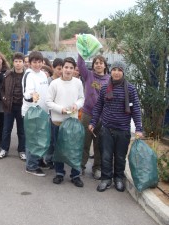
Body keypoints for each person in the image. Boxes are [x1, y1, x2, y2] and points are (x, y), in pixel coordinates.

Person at [89, 61, 143, 192]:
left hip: (123, 130)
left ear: (123, 72)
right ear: (110, 71)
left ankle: (118, 179)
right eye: (114, 69)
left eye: (119, 70)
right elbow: (98, 107)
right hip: (106, 128)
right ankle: (106, 179)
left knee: (120, 156)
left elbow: (135, 109)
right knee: (106, 156)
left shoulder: (130, 89)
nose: (116, 72)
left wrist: (139, 128)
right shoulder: (104, 88)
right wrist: (93, 122)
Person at [46, 57, 85, 187]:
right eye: (66, 67)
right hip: (58, 121)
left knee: (74, 149)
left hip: (72, 121)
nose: (68, 70)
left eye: (71, 68)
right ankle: (59, 173)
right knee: (58, 148)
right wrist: (60, 109)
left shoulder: (78, 83)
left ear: (74, 70)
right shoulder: (54, 84)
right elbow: (48, 101)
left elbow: (81, 98)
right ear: (61, 68)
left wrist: (76, 105)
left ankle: (75, 175)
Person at [77, 54, 110, 179]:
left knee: (99, 144)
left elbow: (111, 98)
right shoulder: (88, 75)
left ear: (105, 65)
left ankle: (97, 168)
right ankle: (80, 166)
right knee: (84, 142)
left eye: (101, 63)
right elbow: (80, 65)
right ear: (93, 65)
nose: (98, 65)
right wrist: (81, 52)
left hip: (103, 117)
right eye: (96, 63)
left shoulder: (109, 80)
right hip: (88, 114)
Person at [22, 51, 49, 176]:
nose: (37, 65)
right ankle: (31, 166)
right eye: (34, 62)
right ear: (30, 63)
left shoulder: (43, 74)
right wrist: (32, 96)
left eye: (39, 62)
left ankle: (37, 160)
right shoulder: (29, 74)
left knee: (40, 138)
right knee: (33, 140)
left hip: (43, 112)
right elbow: (27, 94)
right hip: (32, 113)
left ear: (42, 62)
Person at [0, 52, 26, 160]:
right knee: (6, 129)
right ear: (13, 62)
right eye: (16, 61)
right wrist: (4, 98)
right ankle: (4, 149)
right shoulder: (8, 74)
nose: (18, 64)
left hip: (22, 107)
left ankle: (22, 150)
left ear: (23, 63)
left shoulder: (27, 75)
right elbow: (2, 89)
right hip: (9, 106)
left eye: (20, 61)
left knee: (21, 130)